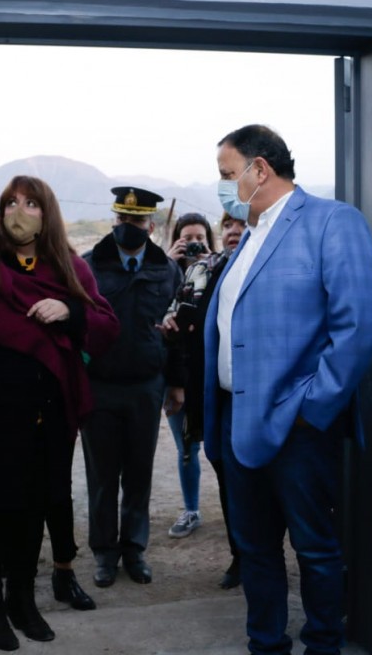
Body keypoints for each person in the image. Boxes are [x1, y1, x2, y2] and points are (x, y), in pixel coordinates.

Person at [203, 125, 372, 655]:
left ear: (260, 169)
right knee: (255, 548)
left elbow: (361, 324)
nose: (223, 186)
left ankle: (323, 643)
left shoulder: (332, 222)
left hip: (297, 425)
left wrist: (312, 408)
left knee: (314, 548)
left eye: (227, 174)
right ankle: (266, 643)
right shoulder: (251, 234)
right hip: (237, 421)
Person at [0, 176, 119, 652]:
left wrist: (69, 310)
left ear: (46, 213)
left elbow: (105, 324)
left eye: (31, 203)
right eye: (11, 202)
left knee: (33, 512)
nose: (19, 211)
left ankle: (22, 600)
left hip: (46, 417)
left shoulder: (68, 266)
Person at [81, 186, 182, 588]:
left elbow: (178, 332)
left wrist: (176, 383)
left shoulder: (166, 269)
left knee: (139, 473)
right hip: (100, 387)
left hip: (146, 386)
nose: (129, 226)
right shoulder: (88, 267)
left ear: (150, 226)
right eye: (123, 219)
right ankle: (104, 553)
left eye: (137, 220)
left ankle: (134, 549)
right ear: (114, 221)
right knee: (102, 475)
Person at [160, 211, 247, 587]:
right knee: (225, 473)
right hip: (214, 394)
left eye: (241, 224)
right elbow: (174, 317)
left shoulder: (266, 264)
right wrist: (170, 324)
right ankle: (240, 557)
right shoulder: (201, 271)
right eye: (227, 225)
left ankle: (263, 557)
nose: (233, 231)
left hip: (259, 395)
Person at [160, 212, 218, 539]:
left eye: (200, 239)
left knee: (223, 446)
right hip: (177, 378)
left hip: (211, 377)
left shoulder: (220, 271)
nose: (194, 245)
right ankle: (191, 509)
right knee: (186, 448)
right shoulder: (166, 274)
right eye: (188, 240)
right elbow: (163, 329)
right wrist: (169, 264)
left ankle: (239, 509)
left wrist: (212, 263)